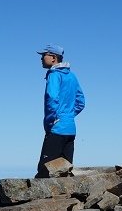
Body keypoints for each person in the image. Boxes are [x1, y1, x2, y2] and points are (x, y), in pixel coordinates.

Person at [35, 44, 85, 178]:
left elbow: (52, 97)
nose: (41, 59)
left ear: (53, 58)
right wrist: (68, 116)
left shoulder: (54, 75)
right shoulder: (72, 76)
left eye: (43, 55)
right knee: (64, 171)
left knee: (44, 172)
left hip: (57, 129)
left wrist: (52, 120)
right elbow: (81, 102)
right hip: (70, 129)